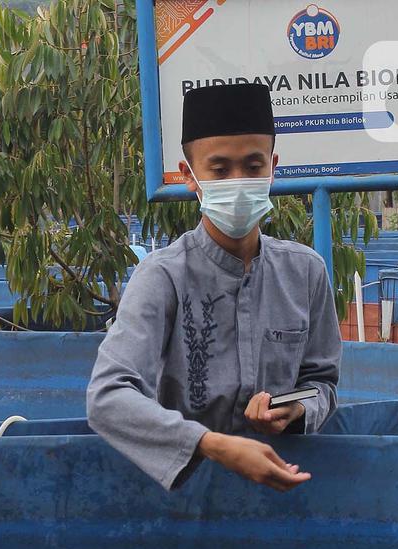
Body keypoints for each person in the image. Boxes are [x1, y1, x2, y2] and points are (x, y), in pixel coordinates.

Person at [86, 83, 341, 493]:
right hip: (186, 501)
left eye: (253, 167)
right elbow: (108, 396)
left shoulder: (305, 272)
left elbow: (322, 382)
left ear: (273, 166)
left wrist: (296, 409)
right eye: (219, 171)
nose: (238, 182)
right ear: (189, 176)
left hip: (284, 494)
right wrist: (211, 445)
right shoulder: (162, 277)